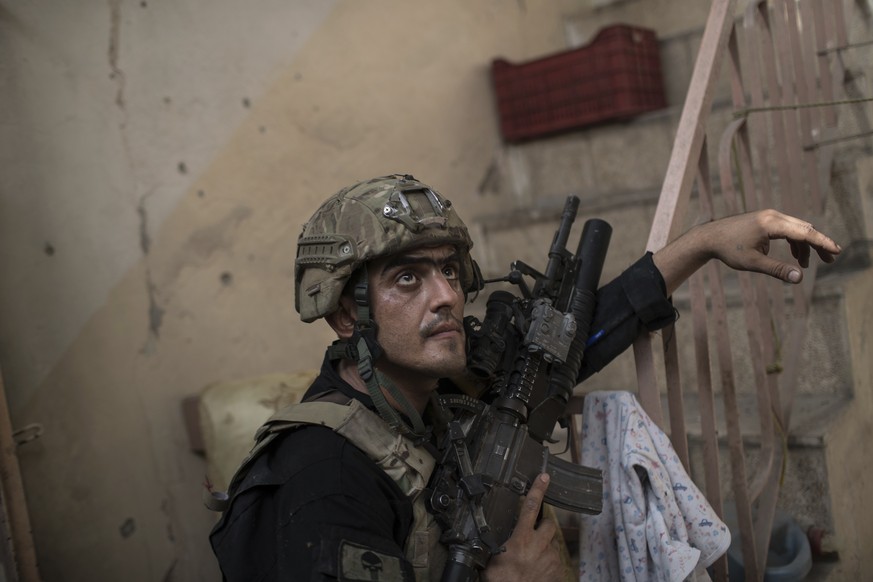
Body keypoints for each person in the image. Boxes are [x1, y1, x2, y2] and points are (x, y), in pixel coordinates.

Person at [208, 174, 840, 581]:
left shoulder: (430, 395)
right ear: (347, 313)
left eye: (450, 273)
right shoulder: (321, 474)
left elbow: (563, 352)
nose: (446, 297)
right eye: (408, 279)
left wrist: (701, 245)